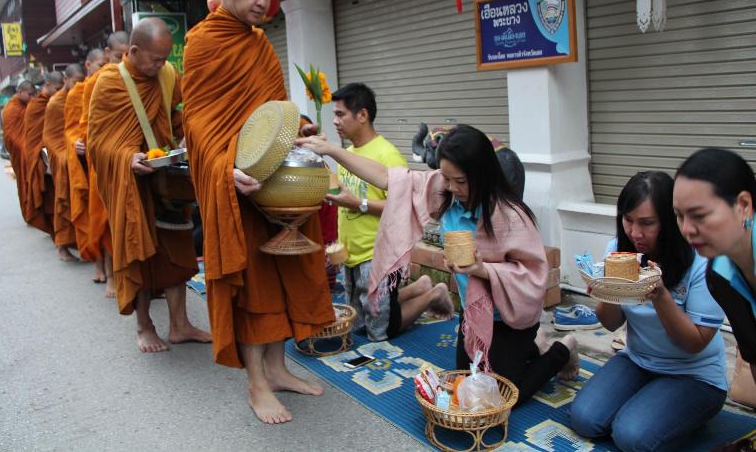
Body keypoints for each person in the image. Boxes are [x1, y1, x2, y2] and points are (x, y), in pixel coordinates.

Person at [298, 124, 578, 403]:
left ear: (483, 174)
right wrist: (332, 150)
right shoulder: (444, 190)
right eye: (447, 178)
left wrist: (483, 269)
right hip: (475, 314)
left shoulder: (511, 216)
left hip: (509, 317)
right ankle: (526, 350)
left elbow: (533, 276)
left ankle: (562, 350)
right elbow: (386, 178)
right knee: (465, 383)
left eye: (462, 181)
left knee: (501, 398)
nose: (454, 188)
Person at [182, 0, 334, 425]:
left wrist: (301, 127)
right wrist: (225, 170)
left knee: (284, 272)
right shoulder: (203, 45)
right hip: (235, 184)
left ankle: (277, 366)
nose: (264, 4)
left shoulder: (260, 44)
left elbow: (273, 109)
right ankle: (256, 382)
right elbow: (199, 125)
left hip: (273, 181)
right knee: (250, 282)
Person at [570, 171, 727, 452]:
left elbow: (695, 342)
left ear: (671, 221)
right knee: (584, 419)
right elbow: (610, 324)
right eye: (628, 220)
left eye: (647, 223)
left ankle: (687, 414)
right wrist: (606, 292)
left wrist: (661, 296)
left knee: (631, 436)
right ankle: (655, 406)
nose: (635, 233)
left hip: (694, 374)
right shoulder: (620, 250)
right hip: (639, 360)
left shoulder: (704, 260)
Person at [87, 18, 210, 353]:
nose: (161, 65)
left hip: (165, 177)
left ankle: (181, 324)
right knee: (139, 252)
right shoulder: (109, 82)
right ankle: (144, 325)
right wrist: (127, 157)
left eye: (165, 58)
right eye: (154, 59)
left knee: (177, 247)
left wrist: (184, 134)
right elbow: (97, 141)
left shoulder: (168, 75)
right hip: (130, 182)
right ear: (133, 51)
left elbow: (174, 116)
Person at [327, 83, 452, 341]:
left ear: (362, 115)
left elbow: (401, 207)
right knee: (359, 323)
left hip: (378, 255)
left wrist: (357, 204)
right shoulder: (347, 154)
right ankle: (420, 286)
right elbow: (346, 199)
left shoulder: (388, 155)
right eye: (334, 114)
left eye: (340, 114)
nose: (335, 121)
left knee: (380, 330)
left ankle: (433, 294)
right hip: (351, 253)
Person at [674, 148, 756, 383]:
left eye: (699, 215)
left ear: (743, 205)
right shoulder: (718, 276)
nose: (687, 229)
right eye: (679, 216)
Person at [84, 36, 129, 294]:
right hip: (100, 158)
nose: (120, 62)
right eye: (115, 57)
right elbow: (82, 124)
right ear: (107, 52)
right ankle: (108, 272)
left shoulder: (133, 75)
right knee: (106, 220)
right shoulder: (96, 83)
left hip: (128, 155)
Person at [64, 50, 105, 277]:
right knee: (92, 215)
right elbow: (70, 129)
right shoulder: (76, 93)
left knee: (106, 216)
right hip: (83, 159)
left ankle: (111, 269)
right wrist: (74, 143)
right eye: (100, 64)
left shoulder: (110, 83)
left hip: (102, 154)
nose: (103, 68)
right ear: (89, 64)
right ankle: (99, 266)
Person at [43, 65, 84, 262]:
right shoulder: (55, 102)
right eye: (76, 82)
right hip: (61, 153)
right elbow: (50, 135)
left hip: (76, 150)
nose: (79, 85)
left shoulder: (80, 96)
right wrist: (63, 155)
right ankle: (62, 247)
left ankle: (81, 242)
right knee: (63, 198)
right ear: (66, 79)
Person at [22, 72, 64, 236]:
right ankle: (60, 241)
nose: (59, 92)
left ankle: (65, 240)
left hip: (57, 154)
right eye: (57, 88)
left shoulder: (57, 101)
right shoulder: (37, 105)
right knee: (52, 200)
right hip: (42, 159)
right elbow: (33, 136)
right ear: (47, 84)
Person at [2, 81, 37, 218]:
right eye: (29, 94)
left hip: (29, 148)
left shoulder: (27, 106)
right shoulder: (11, 108)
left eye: (33, 95)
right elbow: (10, 135)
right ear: (20, 91)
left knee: (33, 179)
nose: (32, 98)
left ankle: (36, 211)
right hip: (20, 151)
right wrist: (24, 148)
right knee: (23, 181)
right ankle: (28, 212)